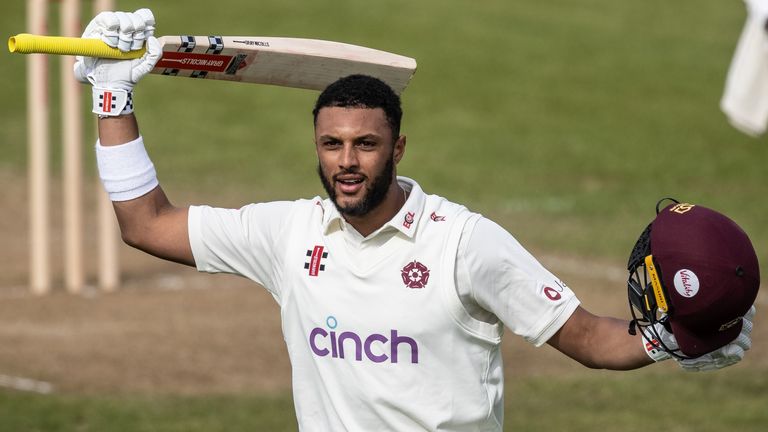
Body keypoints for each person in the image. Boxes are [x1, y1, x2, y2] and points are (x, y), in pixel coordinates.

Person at [74, 9, 759, 431]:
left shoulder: (465, 243)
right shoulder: (288, 235)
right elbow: (146, 223)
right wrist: (112, 95)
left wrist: (675, 340)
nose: (347, 162)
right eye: (331, 144)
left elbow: (584, 336)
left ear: (397, 148)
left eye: (365, 145)